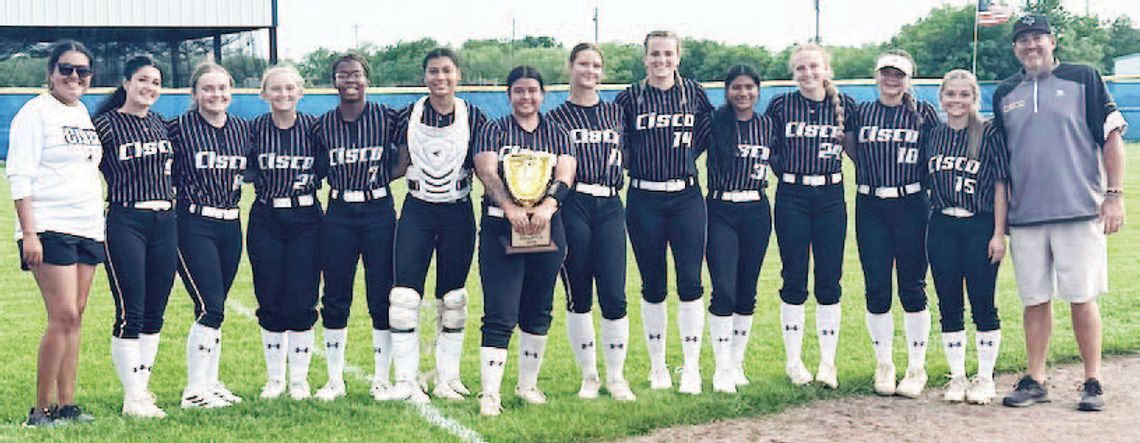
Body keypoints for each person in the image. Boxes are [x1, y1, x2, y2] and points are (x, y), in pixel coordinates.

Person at [993, 15, 1128, 412]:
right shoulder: (1005, 92)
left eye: (1037, 38)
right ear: (1015, 48)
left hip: (1079, 210)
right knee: (1034, 300)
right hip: (1027, 217)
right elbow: (1001, 160)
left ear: (1053, 41)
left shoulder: (1083, 78)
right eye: (1023, 40)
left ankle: (1093, 380)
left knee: (1082, 297)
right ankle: (1036, 379)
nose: (1030, 46)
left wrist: (1114, 195)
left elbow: (1112, 135)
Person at [7, 40, 104, 427]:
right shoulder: (35, 112)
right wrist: (29, 233)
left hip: (86, 225)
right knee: (61, 314)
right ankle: (41, 410)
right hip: (49, 226)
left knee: (76, 316)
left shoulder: (81, 112)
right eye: (66, 69)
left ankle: (67, 405)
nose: (74, 77)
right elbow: (20, 174)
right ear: (51, 73)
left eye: (83, 71)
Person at [474, 66, 577, 416]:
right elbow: (486, 170)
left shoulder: (558, 132)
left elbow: (565, 173)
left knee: (538, 308)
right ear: (509, 94)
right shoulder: (493, 129)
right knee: (500, 311)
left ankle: (527, 384)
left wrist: (548, 206)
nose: (526, 97)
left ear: (543, 94)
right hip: (501, 226)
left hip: (546, 227)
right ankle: (490, 393)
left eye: (532, 90)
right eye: (519, 91)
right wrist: (508, 206)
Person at [615, 30, 713, 394]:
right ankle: (657, 367)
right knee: (653, 283)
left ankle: (690, 368)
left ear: (678, 57)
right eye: (655, 54)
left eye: (668, 54)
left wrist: (681, 159)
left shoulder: (694, 93)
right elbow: (619, 143)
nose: (661, 61)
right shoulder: (630, 97)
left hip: (686, 197)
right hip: (644, 198)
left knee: (690, 281)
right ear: (645, 58)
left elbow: (706, 133)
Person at [387, 48, 488, 403]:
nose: (440, 78)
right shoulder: (407, 116)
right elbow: (395, 163)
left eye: (447, 71)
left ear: (458, 75)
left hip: (457, 212)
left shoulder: (473, 115)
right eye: (433, 71)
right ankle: (406, 379)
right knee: (403, 298)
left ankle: (448, 378)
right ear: (424, 76)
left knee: (454, 298)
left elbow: (486, 166)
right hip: (417, 209)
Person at [846, 50, 938, 398]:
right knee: (877, 287)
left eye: (899, 74)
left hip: (911, 202)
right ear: (876, 76)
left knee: (912, 286)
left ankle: (917, 366)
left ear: (908, 79)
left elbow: (935, 153)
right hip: (870, 203)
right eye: (886, 73)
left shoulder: (923, 112)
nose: (892, 79)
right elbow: (853, 149)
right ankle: (884, 362)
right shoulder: (862, 111)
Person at [547, 43, 636, 402]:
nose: (590, 71)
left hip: (610, 202)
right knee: (578, 293)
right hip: (574, 203)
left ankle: (616, 377)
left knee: (614, 293)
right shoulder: (556, 118)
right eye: (583, 64)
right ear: (570, 67)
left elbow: (628, 155)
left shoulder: (615, 112)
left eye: (597, 65)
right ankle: (589, 376)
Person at [311, 53, 401, 402]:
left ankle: (382, 378)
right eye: (343, 74)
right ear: (333, 80)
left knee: (381, 295)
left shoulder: (387, 117)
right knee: (335, 295)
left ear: (367, 79)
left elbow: (407, 151)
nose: (350, 80)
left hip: (378, 209)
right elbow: (317, 166)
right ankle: (335, 379)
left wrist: (387, 175)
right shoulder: (323, 125)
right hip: (338, 211)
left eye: (357, 74)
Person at [764, 43, 854, 389]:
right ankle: (794, 361)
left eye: (814, 67)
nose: (808, 74)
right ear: (793, 73)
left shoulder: (845, 105)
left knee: (829, 278)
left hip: (831, 196)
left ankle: (828, 363)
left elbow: (856, 147)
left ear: (826, 69)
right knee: (794, 277)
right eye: (800, 68)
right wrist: (788, 174)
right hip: (792, 196)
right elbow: (768, 149)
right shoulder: (781, 105)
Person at [93, 55, 179, 415]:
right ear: (126, 83)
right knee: (132, 308)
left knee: (155, 311)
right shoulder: (106, 125)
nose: (149, 88)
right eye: (143, 80)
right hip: (126, 219)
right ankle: (133, 397)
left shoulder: (163, 123)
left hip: (165, 220)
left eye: (156, 83)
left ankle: (142, 392)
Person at [167, 63, 250, 408]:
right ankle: (193, 390)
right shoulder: (178, 128)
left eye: (222, 88)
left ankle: (211, 383)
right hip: (193, 223)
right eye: (208, 89)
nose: (216, 95)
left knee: (215, 308)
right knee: (209, 306)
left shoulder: (243, 129)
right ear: (195, 94)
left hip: (230, 224)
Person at [925, 69, 1008, 405]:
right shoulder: (933, 133)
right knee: (948, 303)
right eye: (950, 94)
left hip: (980, 224)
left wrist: (999, 233)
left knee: (983, 302)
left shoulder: (988, 133)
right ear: (941, 98)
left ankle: (985, 377)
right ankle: (957, 375)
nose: (956, 100)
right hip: (942, 224)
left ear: (975, 98)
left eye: (964, 95)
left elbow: (1002, 185)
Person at [697, 65, 777, 394]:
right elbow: (684, 154)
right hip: (720, 209)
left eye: (749, 87)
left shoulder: (768, 125)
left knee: (747, 291)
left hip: (757, 209)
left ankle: (736, 363)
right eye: (736, 88)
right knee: (724, 290)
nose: (743, 93)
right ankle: (720, 368)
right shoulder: (714, 123)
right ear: (726, 90)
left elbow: (785, 162)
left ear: (758, 90)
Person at [246, 65, 325, 401]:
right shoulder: (254, 129)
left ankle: (299, 381)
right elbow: (245, 169)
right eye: (275, 89)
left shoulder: (314, 128)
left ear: (300, 92)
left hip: (306, 216)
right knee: (270, 296)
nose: (283, 95)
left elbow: (326, 167)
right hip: (266, 215)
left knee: (302, 297)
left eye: (289, 88)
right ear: (264, 93)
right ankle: (275, 378)